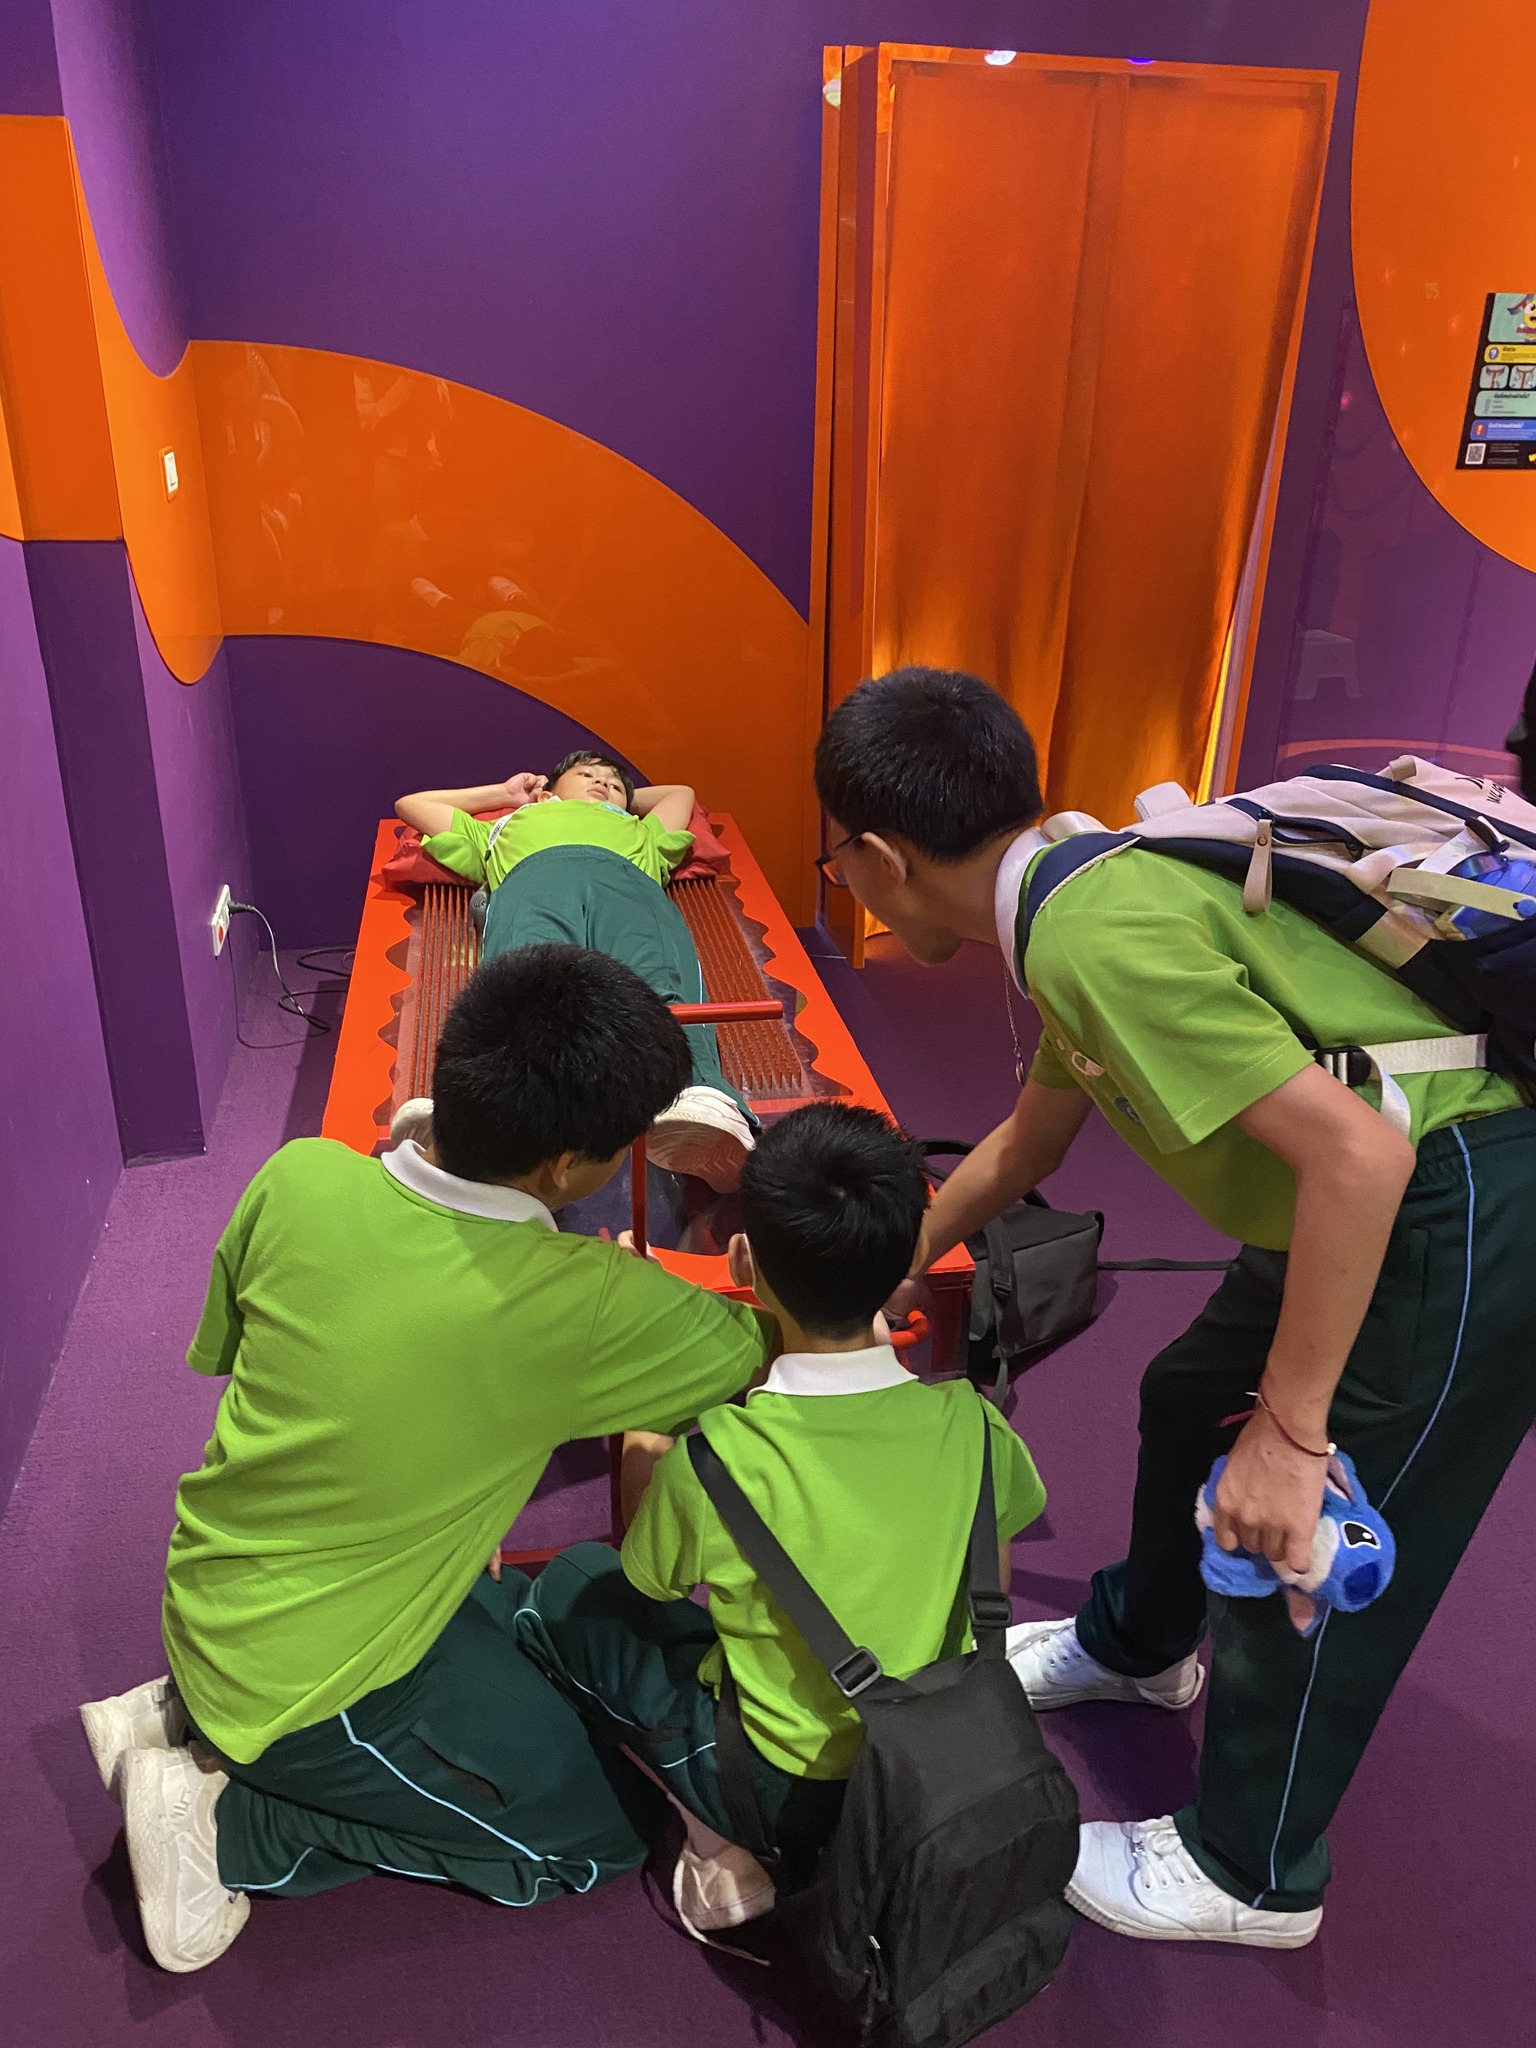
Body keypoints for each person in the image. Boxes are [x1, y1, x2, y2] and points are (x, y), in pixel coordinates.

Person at [812, 666, 1536, 1948]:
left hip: (1457, 1198)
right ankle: (1140, 1644)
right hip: (1362, 1190)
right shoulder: (1077, 885)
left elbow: (1360, 1158)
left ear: (877, 857)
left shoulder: (1090, 930)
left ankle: (1251, 1872)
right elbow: (1027, 1144)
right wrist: (894, 1262)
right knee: (1190, 1393)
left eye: (838, 863)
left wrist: (1294, 1434)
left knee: (1300, 1527)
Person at [78, 946, 775, 1973]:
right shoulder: (586, 1302)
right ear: (565, 1167)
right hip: (311, 1690)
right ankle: (226, 1823)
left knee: (532, 1635)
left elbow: (256, 1361)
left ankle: (183, 1705)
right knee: (597, 1832)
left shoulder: (300, 1174)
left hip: (217, 1586)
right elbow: (772, 1354)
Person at [513, 1102, 1046, 1937]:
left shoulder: (714, 1459)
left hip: (782, 1789)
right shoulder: (978, 1427)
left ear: (743, 1261)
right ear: (904, 1262)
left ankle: (717, 1838)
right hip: (941, 1762)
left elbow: (649, 1581)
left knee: (575, 1588)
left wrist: (646, 1437)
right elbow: (994, 1588)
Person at [394, 749, 754, 1191]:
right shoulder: (504, 825)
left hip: (627, 882)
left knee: (662, 976)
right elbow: (412, 805)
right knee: (522, 989)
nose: (603, 783)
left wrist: (623, 802)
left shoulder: (640, 830)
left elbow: (682, 794)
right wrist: (506, 795)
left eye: (615, 783)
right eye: (587, 774)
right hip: (532, 882)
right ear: (548, 791)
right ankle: (470, 1114)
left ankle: (701, 1099)